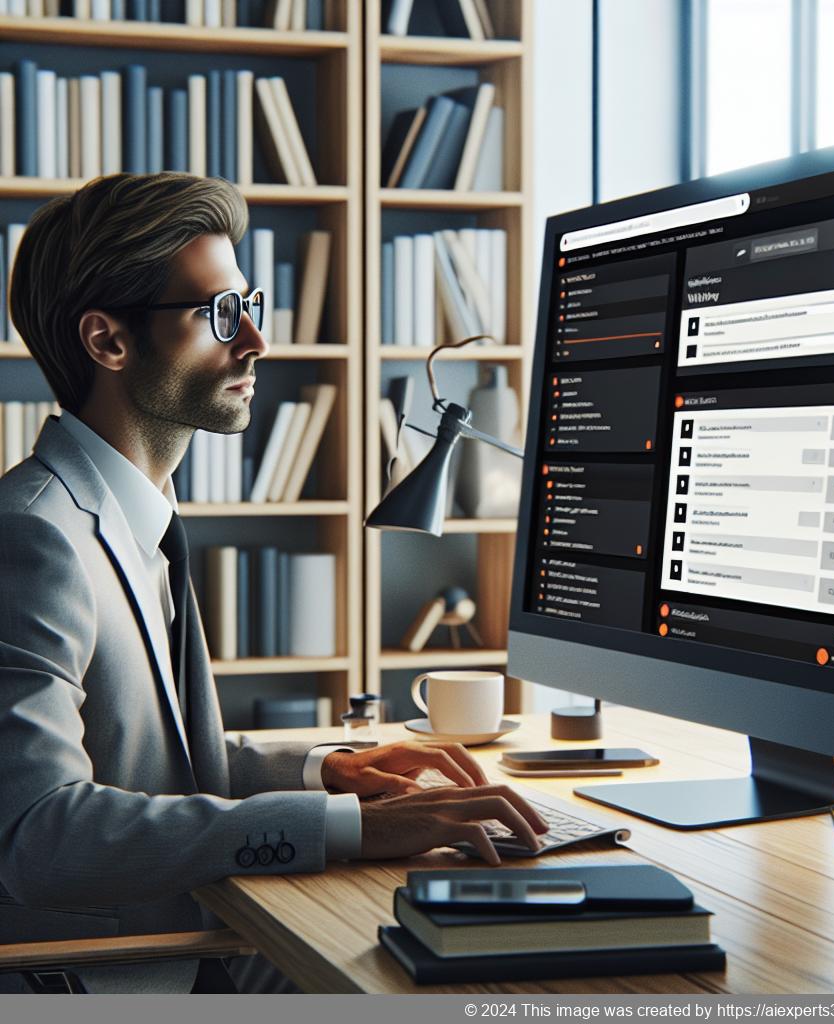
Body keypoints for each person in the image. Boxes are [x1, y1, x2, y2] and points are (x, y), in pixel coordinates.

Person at [0, 172, 546, 993]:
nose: (255, 340)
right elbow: (40, 835)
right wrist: (346, 828)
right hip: (117, 979)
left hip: (187, 939)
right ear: (108, 342)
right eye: (219, 313)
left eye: (248, 303)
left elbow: (150, 760)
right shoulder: (36, 536)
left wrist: (326, 771)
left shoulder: (129, 515)